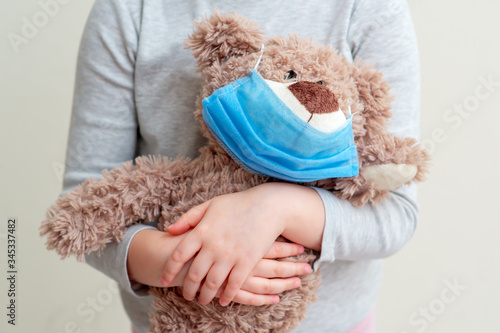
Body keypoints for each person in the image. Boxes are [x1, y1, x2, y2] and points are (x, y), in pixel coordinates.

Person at [61, 0, 421, 332]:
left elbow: (396, 212)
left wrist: (278, 208)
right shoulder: (129, 10)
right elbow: (80, 209)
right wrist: (181, 261)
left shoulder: (368, 9)